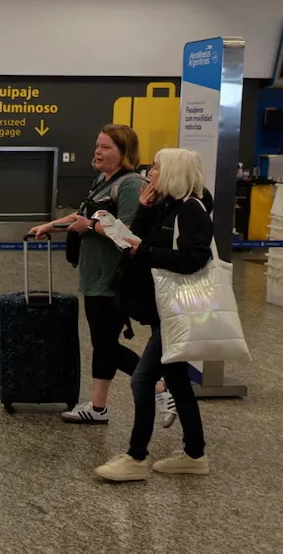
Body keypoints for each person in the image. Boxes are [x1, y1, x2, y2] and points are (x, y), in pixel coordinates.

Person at [30, 124, 176, 426]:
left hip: (114, 279)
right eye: (97, 145)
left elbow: (129, 234)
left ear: (124, 152)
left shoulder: (131, 185)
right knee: (102, 342)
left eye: (106, 147)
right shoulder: (102, 181)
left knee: (106, 345)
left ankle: (160, 388)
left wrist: (90, 227)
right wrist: (51, 225)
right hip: (94, 275)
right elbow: (82, 214)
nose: (98, 152)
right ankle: (98, 407)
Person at [95, 147, 213, 481]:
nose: (151, 173)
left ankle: (136, 457)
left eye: (158, 168)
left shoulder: (191, 210)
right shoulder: (166, 206)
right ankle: (195, 454)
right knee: (177, 380)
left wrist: (144, 251)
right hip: (165, 310)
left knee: (143, 380)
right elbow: (136, 243)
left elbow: (194, 259)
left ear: (174, 171)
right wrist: (144, 211)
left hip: (179, 311)